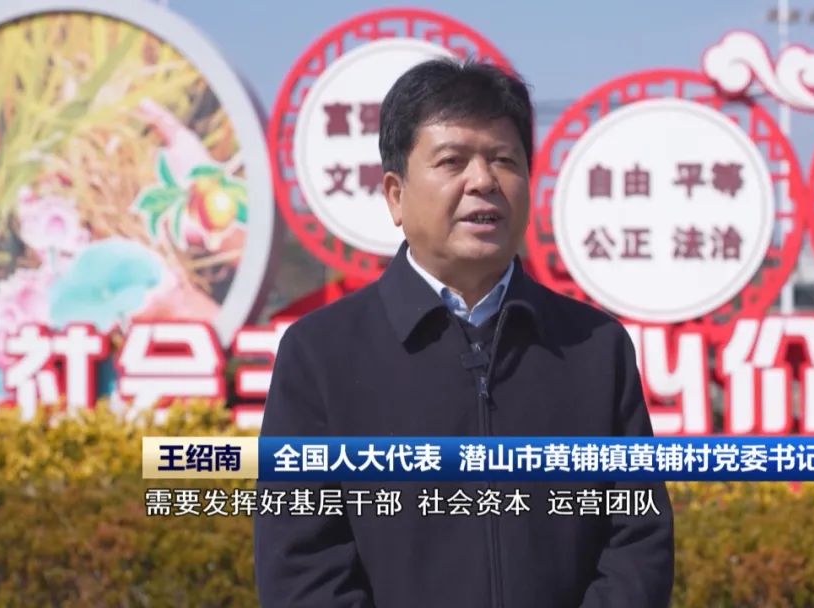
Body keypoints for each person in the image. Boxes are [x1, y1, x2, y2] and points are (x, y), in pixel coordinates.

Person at [254, 57, 674, 608]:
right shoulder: (322, 354)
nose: (483, 181)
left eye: (504, 160)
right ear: (395, 195)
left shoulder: (595, 347)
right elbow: (301, 568)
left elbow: (637, 543)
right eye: (452, 161)